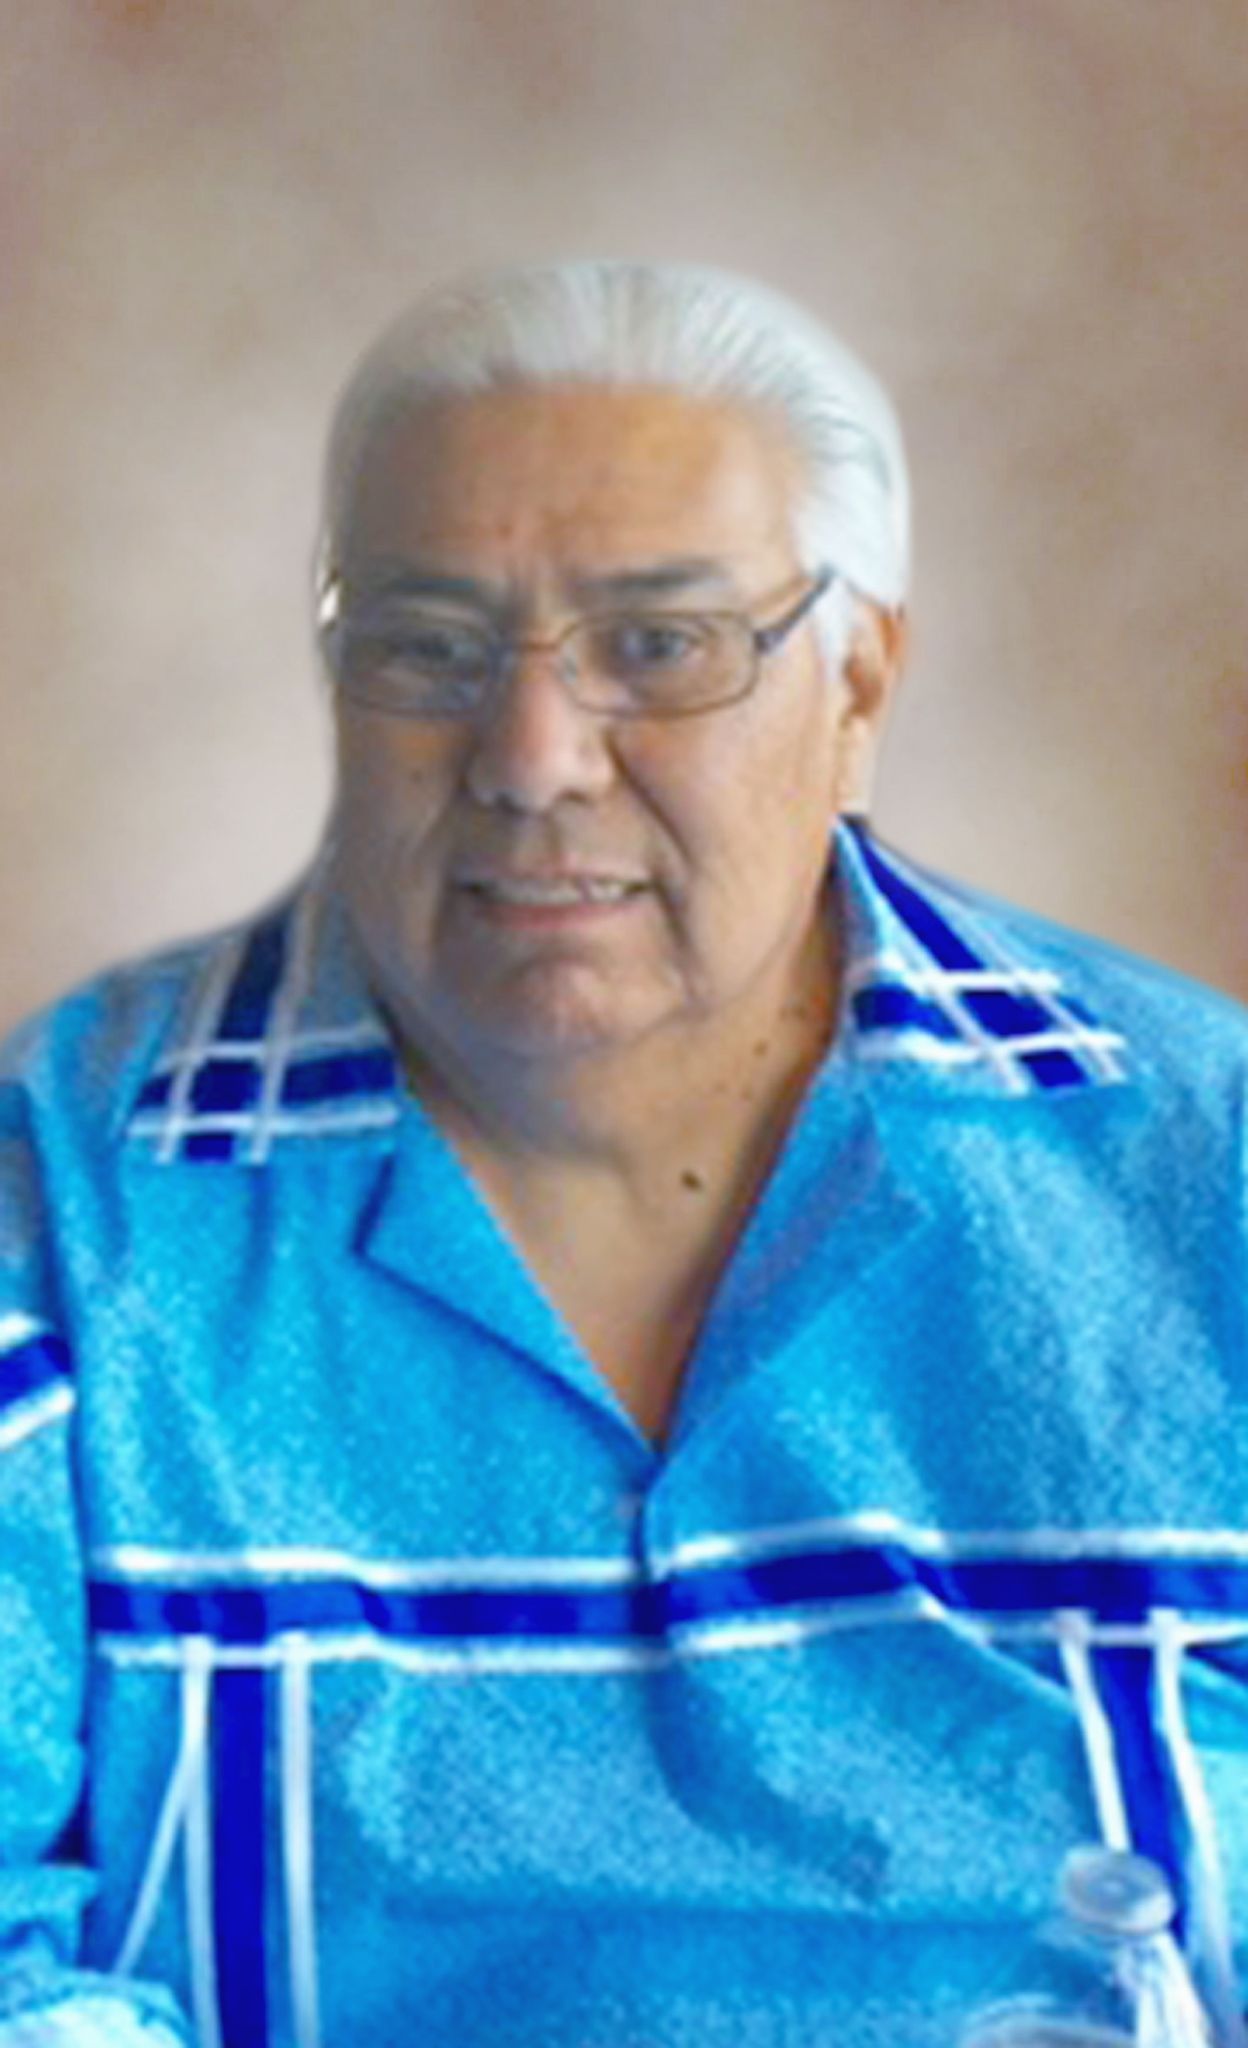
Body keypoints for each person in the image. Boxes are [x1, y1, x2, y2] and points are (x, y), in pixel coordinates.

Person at [1, 260, 1246, 2048]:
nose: (530, 759)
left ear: (860, 683)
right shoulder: (68, 1196)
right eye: (429, 647)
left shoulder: (1203, 1172)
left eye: (660, 645)